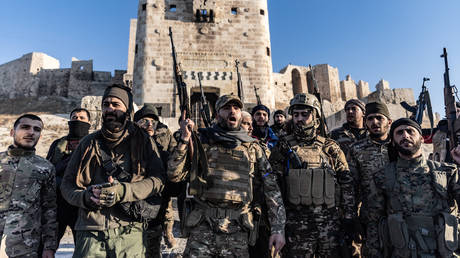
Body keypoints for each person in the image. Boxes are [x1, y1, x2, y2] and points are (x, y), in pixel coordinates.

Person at [168, 94, 286, 257]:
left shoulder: (253, 148)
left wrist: (278, 230)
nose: (232, 111)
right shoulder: (202, 142)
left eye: (236, 108)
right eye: (226, 108)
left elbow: (272, 190)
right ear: (217, 115)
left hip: (237, 231)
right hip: (203, 228)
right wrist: (184, 140)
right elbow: (174, 175)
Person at [60, 84, 166, 257]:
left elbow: (158, 181)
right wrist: (86, 197)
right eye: (106, 104)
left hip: (130, 232)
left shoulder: (143, 141)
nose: (110, 109)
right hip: (90, 232)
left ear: (127, 110)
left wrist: (123, 191)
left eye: (116, 104)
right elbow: (67, 186)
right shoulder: (87, 143)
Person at [269, 93, 355, 257]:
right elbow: (273, 188)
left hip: (329, 224)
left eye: (305, 114)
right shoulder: (282, 147)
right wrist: (278, 226)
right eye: (296, 115)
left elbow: (346, 183)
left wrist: (349, 217)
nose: (299, 119)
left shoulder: (330, 147)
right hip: (296, 226)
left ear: (315, 117)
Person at [367, 118, 460, 257]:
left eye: (410, 131)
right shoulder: (383, 177)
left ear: (422, 138)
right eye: (399, 133)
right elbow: (374, 221)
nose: (405, 135)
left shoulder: (447, 172)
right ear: (393, 141)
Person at [0, 114, 57, 258]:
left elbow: (49, 210)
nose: (31, 132)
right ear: (12, 132)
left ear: (40, 136)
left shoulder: (45, 168)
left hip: (25, 247)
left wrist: (49, 247)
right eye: (25, 127)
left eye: (36, 129)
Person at [346, 101, 392, 256]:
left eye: (379, 118)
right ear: (365, 122)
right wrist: (351, 217)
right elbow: (351, 186)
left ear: (389, 122)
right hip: (372, 219)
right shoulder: (356, 150)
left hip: (401, 215)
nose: (375, 122)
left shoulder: (399, 146)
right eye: (370, 119)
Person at [134, 104, 178, 256]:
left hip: (159, 188)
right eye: (145, 120)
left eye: (153, 120)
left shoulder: (165, 134)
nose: (149, 124)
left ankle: (167, 235)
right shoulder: (132, 137)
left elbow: (175, 156)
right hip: (137, 189)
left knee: (158, 226)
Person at [46, 108, 91, 247]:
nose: (77, 120)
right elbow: (48, 168)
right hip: (58, 203)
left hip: (81, 204)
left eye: (82, 118)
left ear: (89, 122)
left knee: (82, 249)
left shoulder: (93, 144)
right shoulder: (58, 144)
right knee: (47, 247)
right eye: (74, 117)